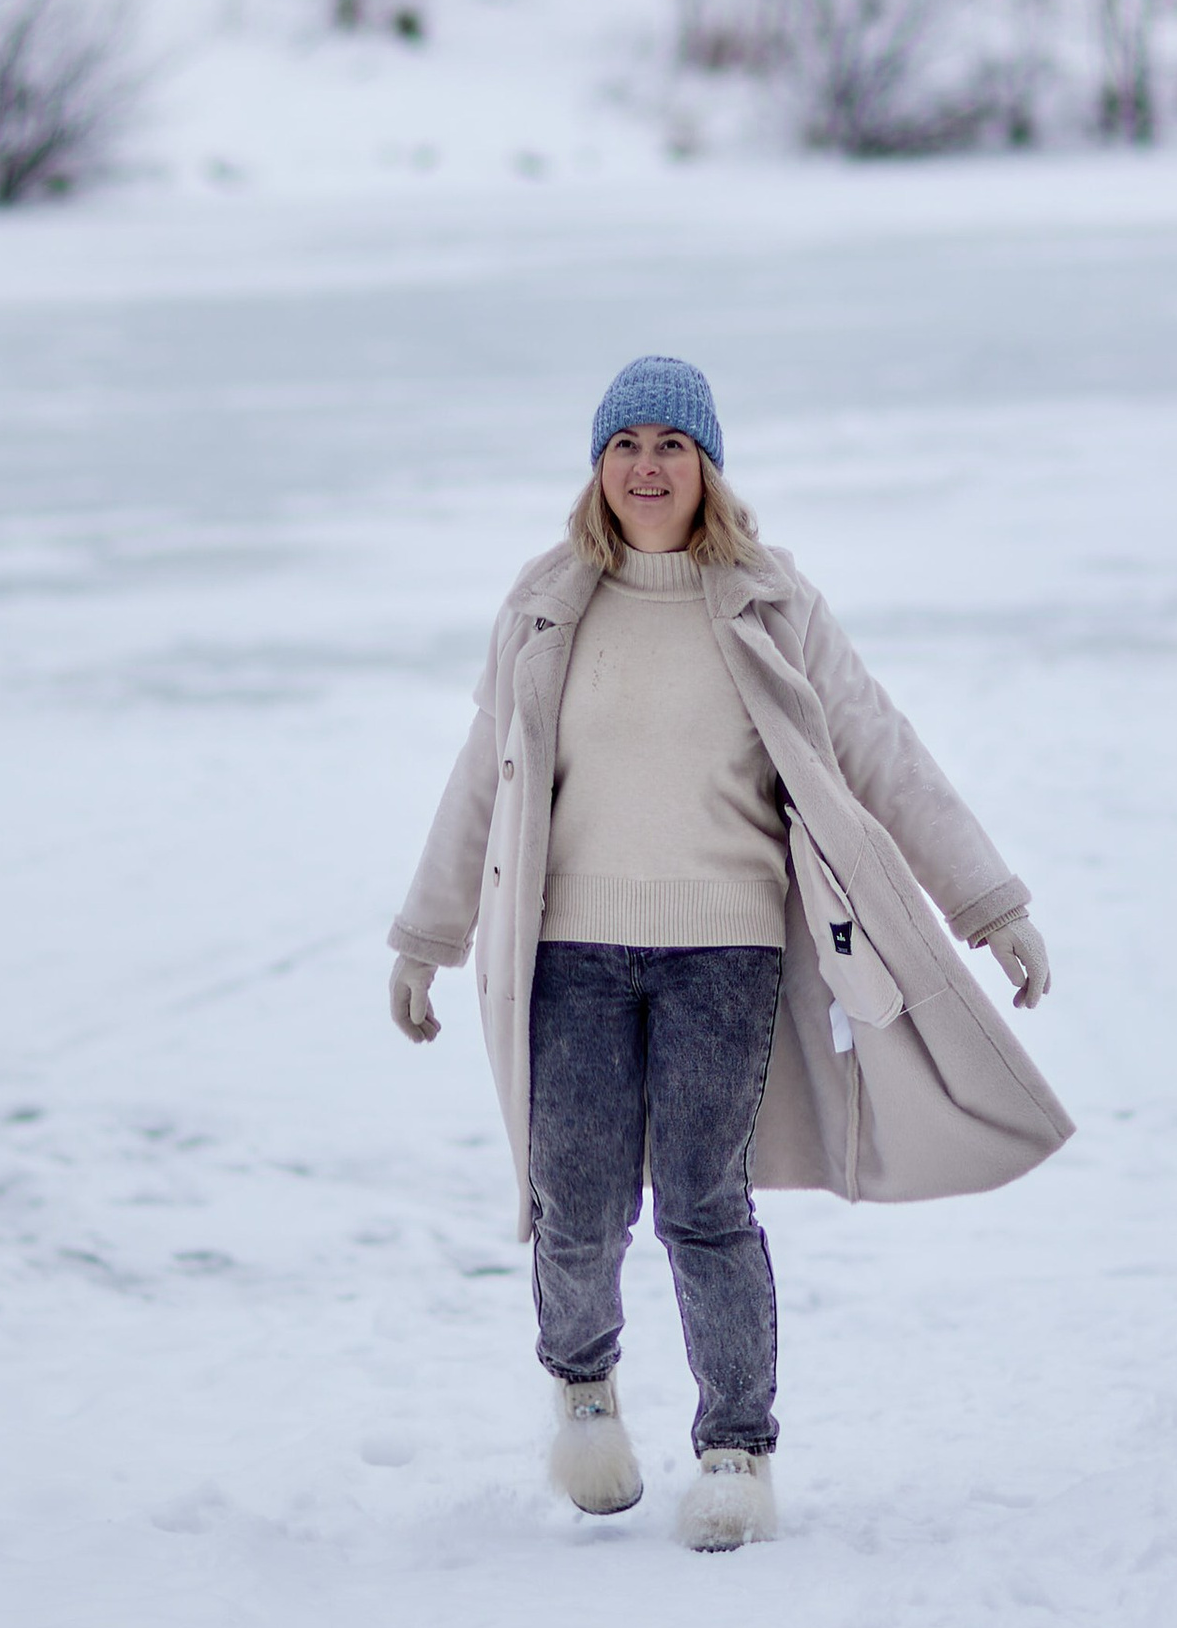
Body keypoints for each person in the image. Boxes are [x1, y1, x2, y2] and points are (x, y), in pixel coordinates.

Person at [387, 357, 1071, 1549]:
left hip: (726, 952)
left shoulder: (768, 601)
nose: (647, 466)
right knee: (577, 1205)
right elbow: (480, 778)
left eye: (672, 445)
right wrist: (425, 935)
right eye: (624, 444)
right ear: (597, 467)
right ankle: (585, 1393)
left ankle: (737, 1451)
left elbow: (879, 752)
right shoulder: (545, 604)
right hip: (570, 952)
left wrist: (988, 902)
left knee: (704, 1201)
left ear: (709, 467)